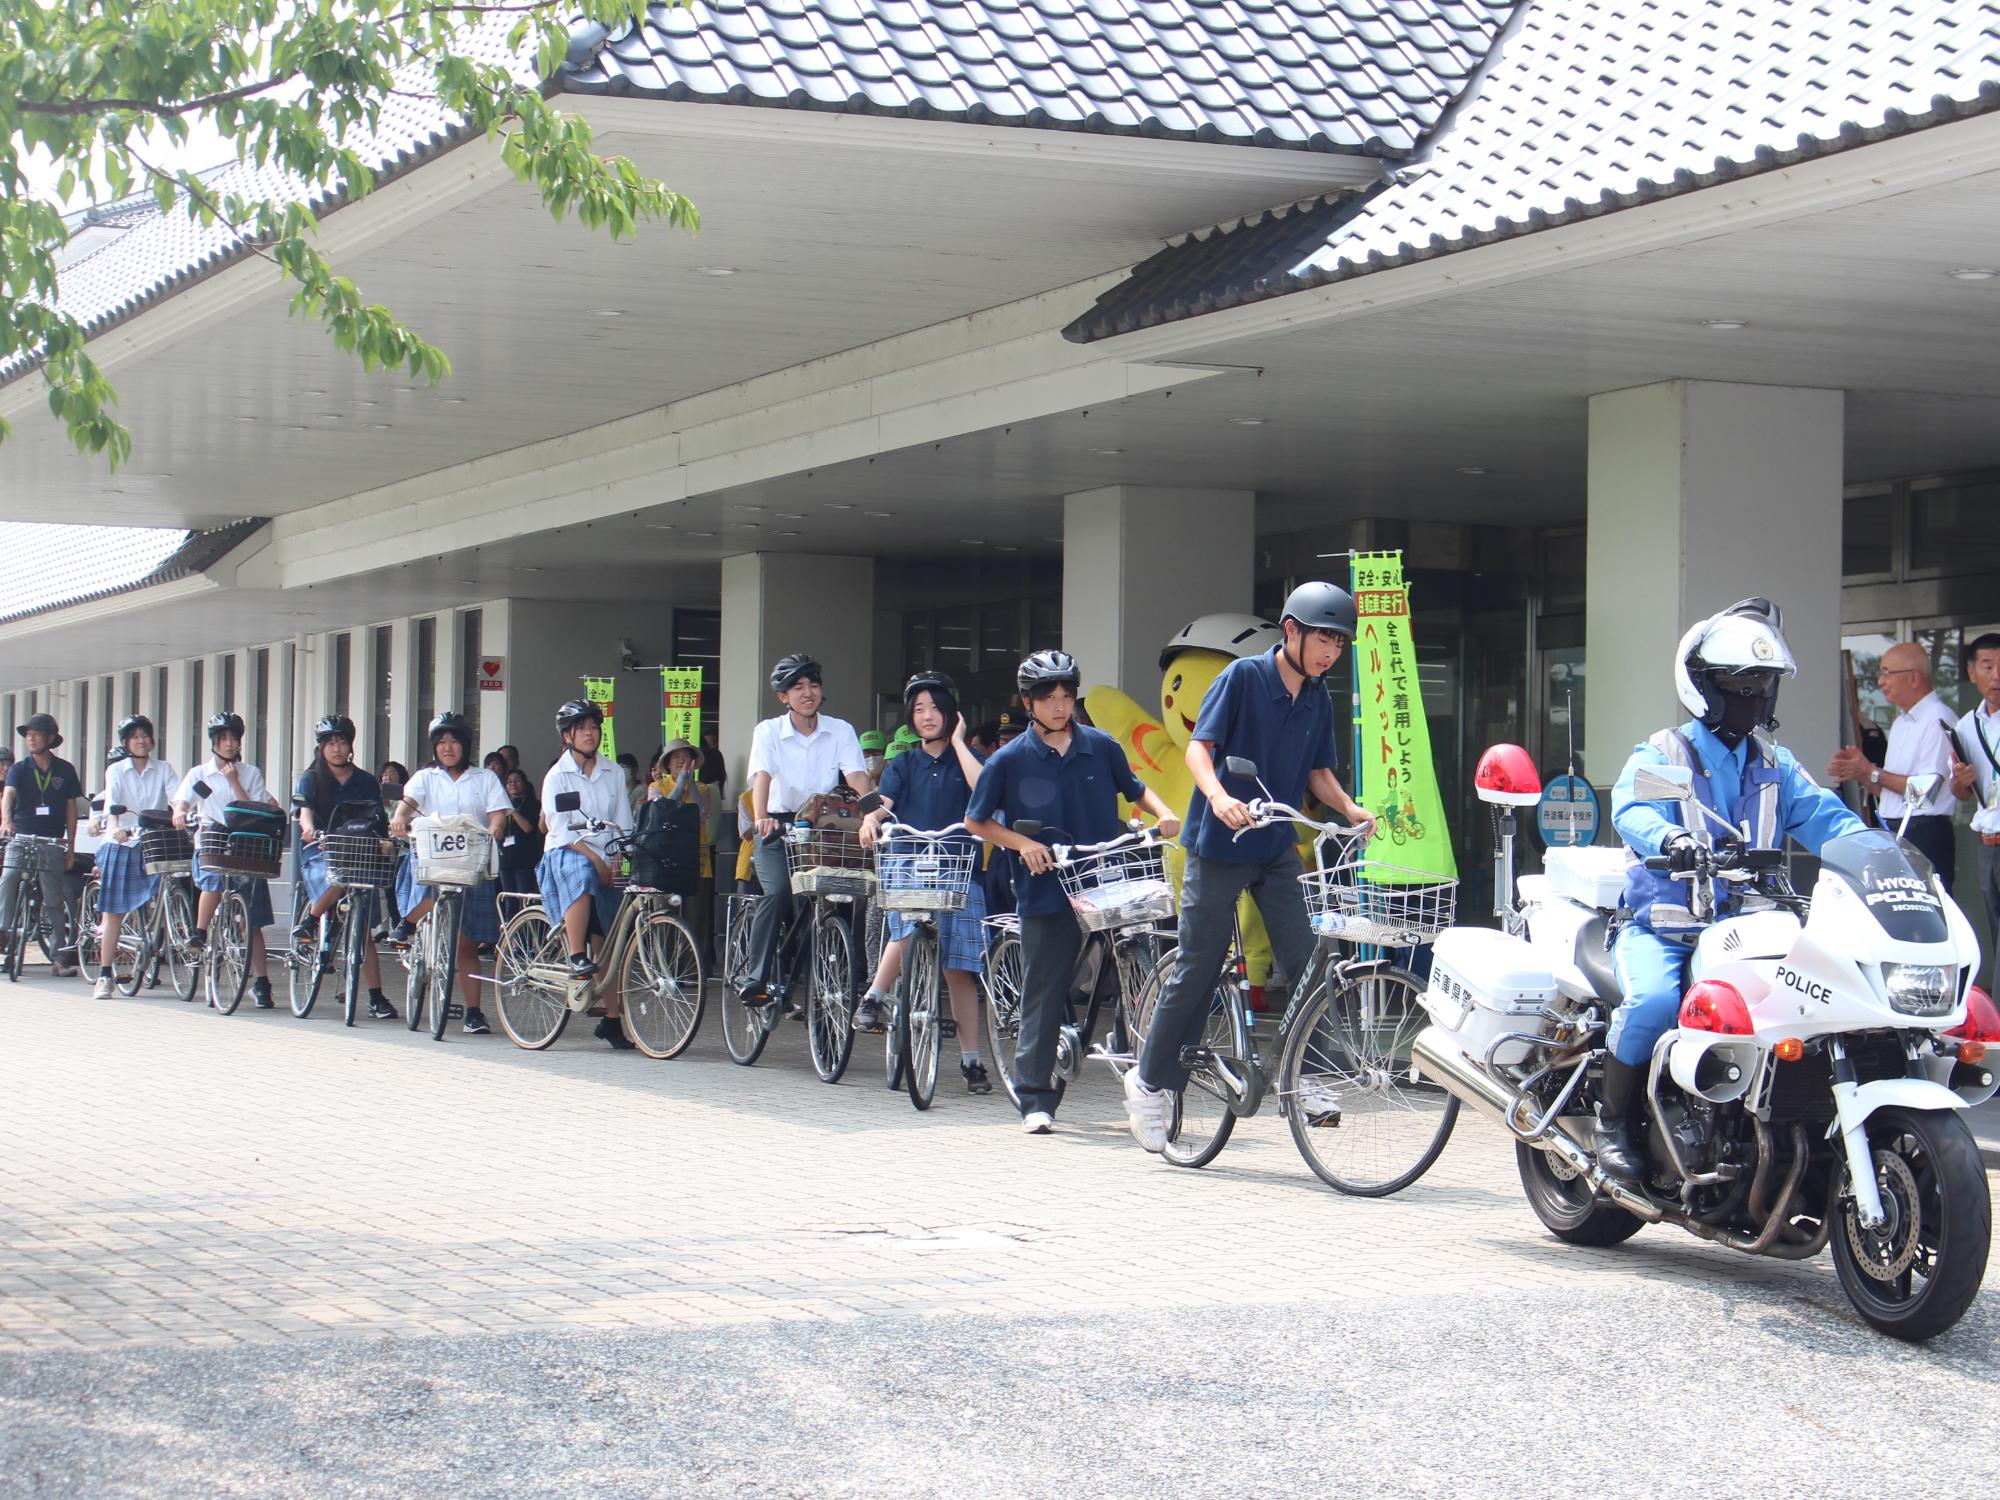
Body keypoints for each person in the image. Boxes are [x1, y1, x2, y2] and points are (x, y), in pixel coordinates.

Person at [1601, 598, 1864, 1184]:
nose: (1752, 696)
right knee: (1652, 1004)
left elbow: (1827, 819)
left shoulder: (1777, 763)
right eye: (1740, 683)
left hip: (1753, 931)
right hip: (1665, 928)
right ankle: (1611, 1125)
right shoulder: (1667, 752)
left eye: (1762, 685)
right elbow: (1633, 808)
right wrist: (1672, 838)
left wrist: (1877, 850)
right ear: (1704, 685)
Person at [1122, 583, 1377, 1152]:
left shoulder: (1317, 696)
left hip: (1274, 847)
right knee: (1198, 965)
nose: (1330, 651)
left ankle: (1311, 1076)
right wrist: (1215, 797)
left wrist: (1350, 808)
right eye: (1322, 638)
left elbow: (1317, 772)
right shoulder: (1241, 678)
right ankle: (1146, 1085)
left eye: (1338, 642)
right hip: (1218, 846)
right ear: (1291, 630)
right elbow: (1198, 748)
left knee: (1308, 959)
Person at [966, 650, 1180, 1134]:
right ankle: (1036, 1098)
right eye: (1049, 698)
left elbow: (1135, 787)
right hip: (1045, 887)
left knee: (1137, 975)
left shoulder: (1100, 746)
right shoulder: (1009, 759)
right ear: (1029, 703)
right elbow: (975, 821)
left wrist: (1163, 810)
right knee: (1045, 989)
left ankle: (1145, 1080)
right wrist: (1023, 845)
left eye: (1067, 696)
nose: (1060, 706)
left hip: (1107, 880)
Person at [856, 671, 994, 1094]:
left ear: (951, 713)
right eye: (919, 709)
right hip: (912, 863)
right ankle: (875, 995)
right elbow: (886, 803)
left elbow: (983, 789)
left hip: (958, 865)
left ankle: (972, 1061)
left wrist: (958, 743)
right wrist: (870, 817)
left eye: (936, 707)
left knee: (960, 972)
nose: (928, 715)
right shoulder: (902, 763)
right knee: (908, 926)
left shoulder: (967, 757)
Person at [741, 653, 872, 1005]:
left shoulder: (840, 730)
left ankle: (832, 975)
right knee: (779, 892)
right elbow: (762, 776)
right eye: (797, 687)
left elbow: (856, 776)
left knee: (838, 895)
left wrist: (875, 810)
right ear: (783, 697)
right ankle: (756, 976)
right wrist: (762, 816)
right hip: (779, 826)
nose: (807, 693)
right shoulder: (768, 731)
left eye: (813, 685)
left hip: (823, 829)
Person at [389, 711, 510, 1035]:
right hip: (436, 859)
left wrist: (494, 831)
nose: (447, 747)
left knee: (467, 947)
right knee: (426, 885)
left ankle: (473, 1013)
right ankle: (408, 923)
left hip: (471, 863)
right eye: (441, 742)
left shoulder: (485, 779)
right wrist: (400, 819)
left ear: (465, 745)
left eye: (454, 741)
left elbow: (498, 816)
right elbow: (406, 804)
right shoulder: (426, 777)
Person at [537, 698, 634, 1047]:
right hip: (567, 855)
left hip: (606, 858)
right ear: (567, 736)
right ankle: (577, 953)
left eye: (594, 727)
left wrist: (617, 860)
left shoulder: (614, 772)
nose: (590, 734)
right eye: (582, 729)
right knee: (582, 872)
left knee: (613, 935)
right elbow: (560, 830)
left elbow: (623, 823)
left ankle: (612, 1019)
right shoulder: (556, 776)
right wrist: (596, 861)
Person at [1829, 641, 1961, 893]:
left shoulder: (1937, 719)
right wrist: (1862, 775)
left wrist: (1871, 771)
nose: (1880, 681)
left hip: (1924, 832)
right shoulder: (1900, 722)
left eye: (1887, 672)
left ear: (1913, 678)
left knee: (1929, 911)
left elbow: (1924, 792)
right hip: (1893, 827)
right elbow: (1891, 792)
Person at [290, 715, 397, 1019]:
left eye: (342, 741)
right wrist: (311, 830)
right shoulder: (310, 778)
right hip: (320, 849)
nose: (336, 748)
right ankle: (311, 920)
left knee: (362, 929)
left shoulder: (364, 780)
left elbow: (378, 817)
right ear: (321, 748)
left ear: (351, 745)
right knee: (341, 876)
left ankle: (376, 997)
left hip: (358, 851)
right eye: (330, 743)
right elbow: (305, 814)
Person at [174, 712, 281, 1007]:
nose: (229, 744)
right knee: (212, 882)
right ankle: (199, 932)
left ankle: (261, 983)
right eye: (223, 739)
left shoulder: (250, 773)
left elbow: (254, 806)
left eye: (234, 738)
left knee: (253, 919)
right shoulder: (200, 773)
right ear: (214, 742)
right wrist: (180, 812)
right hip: (213, 837)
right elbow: (183, 799)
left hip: (245, 841)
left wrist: (234, 781)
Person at [86, 716, 179, 999]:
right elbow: (112, 804)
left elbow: (176, 798)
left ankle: (162, 948)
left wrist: (181, 814)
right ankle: (104, 975)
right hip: (124, 842)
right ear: (126, 742)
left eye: (145, 735)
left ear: (152, 739)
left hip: (154, 841)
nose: (140, 740)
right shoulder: (116, 770)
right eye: (134, 736)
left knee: (167, 892)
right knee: (113, 910)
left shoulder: (163, 768)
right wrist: (114, 828)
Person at [0, 712, 84, 978]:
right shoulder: (19, 769)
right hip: (22, 836)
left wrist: (70, 845)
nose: (30, 738)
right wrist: (7, 821)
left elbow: (71, 809)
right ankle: (3, 938)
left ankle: (59, 957)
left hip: (52, 840)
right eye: (27, 734)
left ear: (50, 738)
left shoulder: (65, 770)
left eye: (35, 734)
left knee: (53, 899)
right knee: (9, 878)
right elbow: (9, 796)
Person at [1952, 632, 2000, 995]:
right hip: (1988, 841)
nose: (1996, 674)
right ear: (1973, 673)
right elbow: (1959, 792)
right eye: (1987, 666)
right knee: (1994, 928)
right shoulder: (1966, 726)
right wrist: (1961, 780)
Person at [648, 738, 715, 956]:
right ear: (667, 764)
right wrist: (679, 785)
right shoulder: (656, 787)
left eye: (686, 757)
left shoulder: (703, 788)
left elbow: (702, 812)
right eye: (676, 757)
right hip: (667, 859)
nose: (681, 761)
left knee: (696, 917)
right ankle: (666, 967)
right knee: (667, 914)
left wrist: (691, 784)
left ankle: (693, 968)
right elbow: (665, 810)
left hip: (697, 858)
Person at [497, 767, 543, 898]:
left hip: (525, 860)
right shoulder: (502, 807)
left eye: (517, 780)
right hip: (506, 858)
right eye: (509, 781)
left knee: (524, 898)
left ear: (524, 783)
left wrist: (512, 810)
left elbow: (528, 828)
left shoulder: (533, 804)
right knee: (508, 900)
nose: (512, 784)